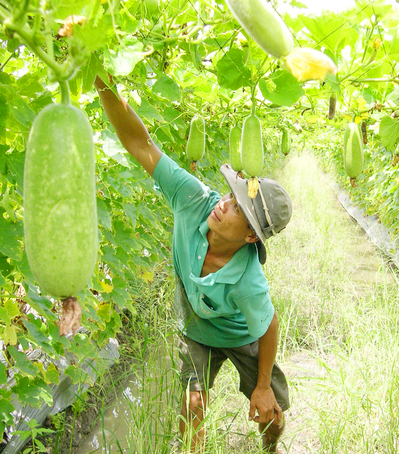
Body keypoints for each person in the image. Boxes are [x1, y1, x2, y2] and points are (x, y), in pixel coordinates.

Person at [94, 75, 293, 453]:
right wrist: (100, 79)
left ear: (251, 236)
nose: (223, 204)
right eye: (230, 195)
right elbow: (140, 144)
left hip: (240, 335)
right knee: (192, 405)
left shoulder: (247, 280)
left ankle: (270, 445)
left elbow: (267, 326)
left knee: (270, 410)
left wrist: (263, 386)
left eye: (237, 208)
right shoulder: (192, 199)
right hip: (196, 327)